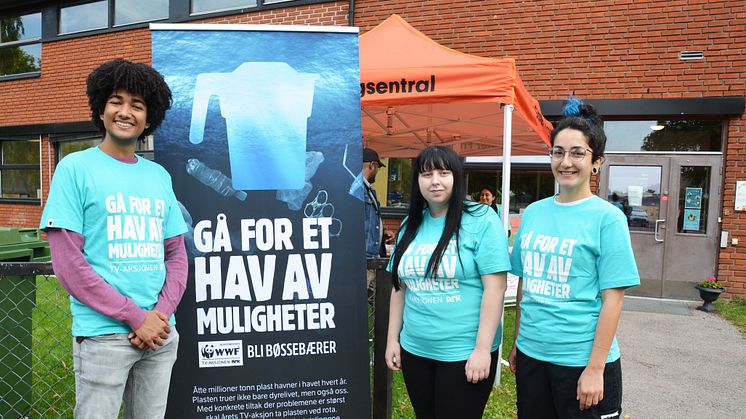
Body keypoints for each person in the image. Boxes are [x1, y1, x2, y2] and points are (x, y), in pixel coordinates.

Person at [40, 58, 188, 419]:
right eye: (116, 101)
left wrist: (160, 315)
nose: (126, 112)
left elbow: (176, 255)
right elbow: (68, 264)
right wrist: (135, 317)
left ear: (149, 118)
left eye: (137, 105)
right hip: (105, 335)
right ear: (101, 110)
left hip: (159, 334)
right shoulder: (75, 168)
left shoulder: (158, 176)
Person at [507, 98, 640, 419]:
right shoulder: (534, 212)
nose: (566, 161)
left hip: (582, 362)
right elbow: (527, 281)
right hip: (532, 356)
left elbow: (613, 300)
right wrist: (517, 342)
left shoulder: (608, 218)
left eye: (577, 152)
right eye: (558, 152)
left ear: (597, 162)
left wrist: (595, 368)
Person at [385, 146, 511, 418]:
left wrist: (481, 350)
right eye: (426, 174)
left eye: (444, 172)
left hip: (463, 353)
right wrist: (392, 340)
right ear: (417, 181)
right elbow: (399, 287)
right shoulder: (410, 225)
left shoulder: (481, 219)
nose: (435, 181)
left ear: (456, 177)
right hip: (415, 350)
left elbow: (496, 288)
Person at [363, 147, 393, 257]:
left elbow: (368, 220)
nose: (377, 171)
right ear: (372, 165)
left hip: (371, 255)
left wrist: (381, 232)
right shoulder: (358, 190)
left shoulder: (369, 191)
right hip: (365, 257)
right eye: (378, 167)